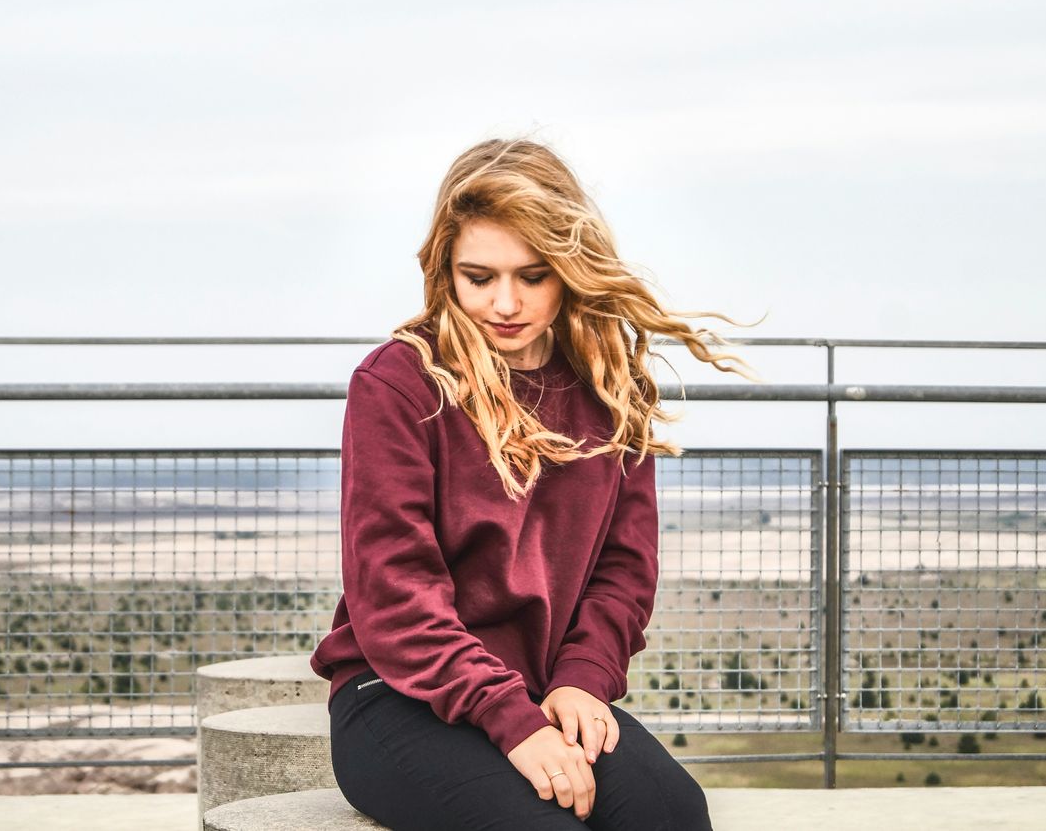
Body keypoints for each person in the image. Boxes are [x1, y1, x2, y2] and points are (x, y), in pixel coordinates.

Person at [310, 137, 761, 830]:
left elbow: (623, 570)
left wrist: (586, 679)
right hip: (397, 696)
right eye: (479, 276)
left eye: (533, 275)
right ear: (445, 272)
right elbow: (396, 592)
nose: (506, 303)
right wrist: (513, 721)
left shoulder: (610, 386)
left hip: (546, 687)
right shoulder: (399, 385)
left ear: (570, 271)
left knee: (670, 812)